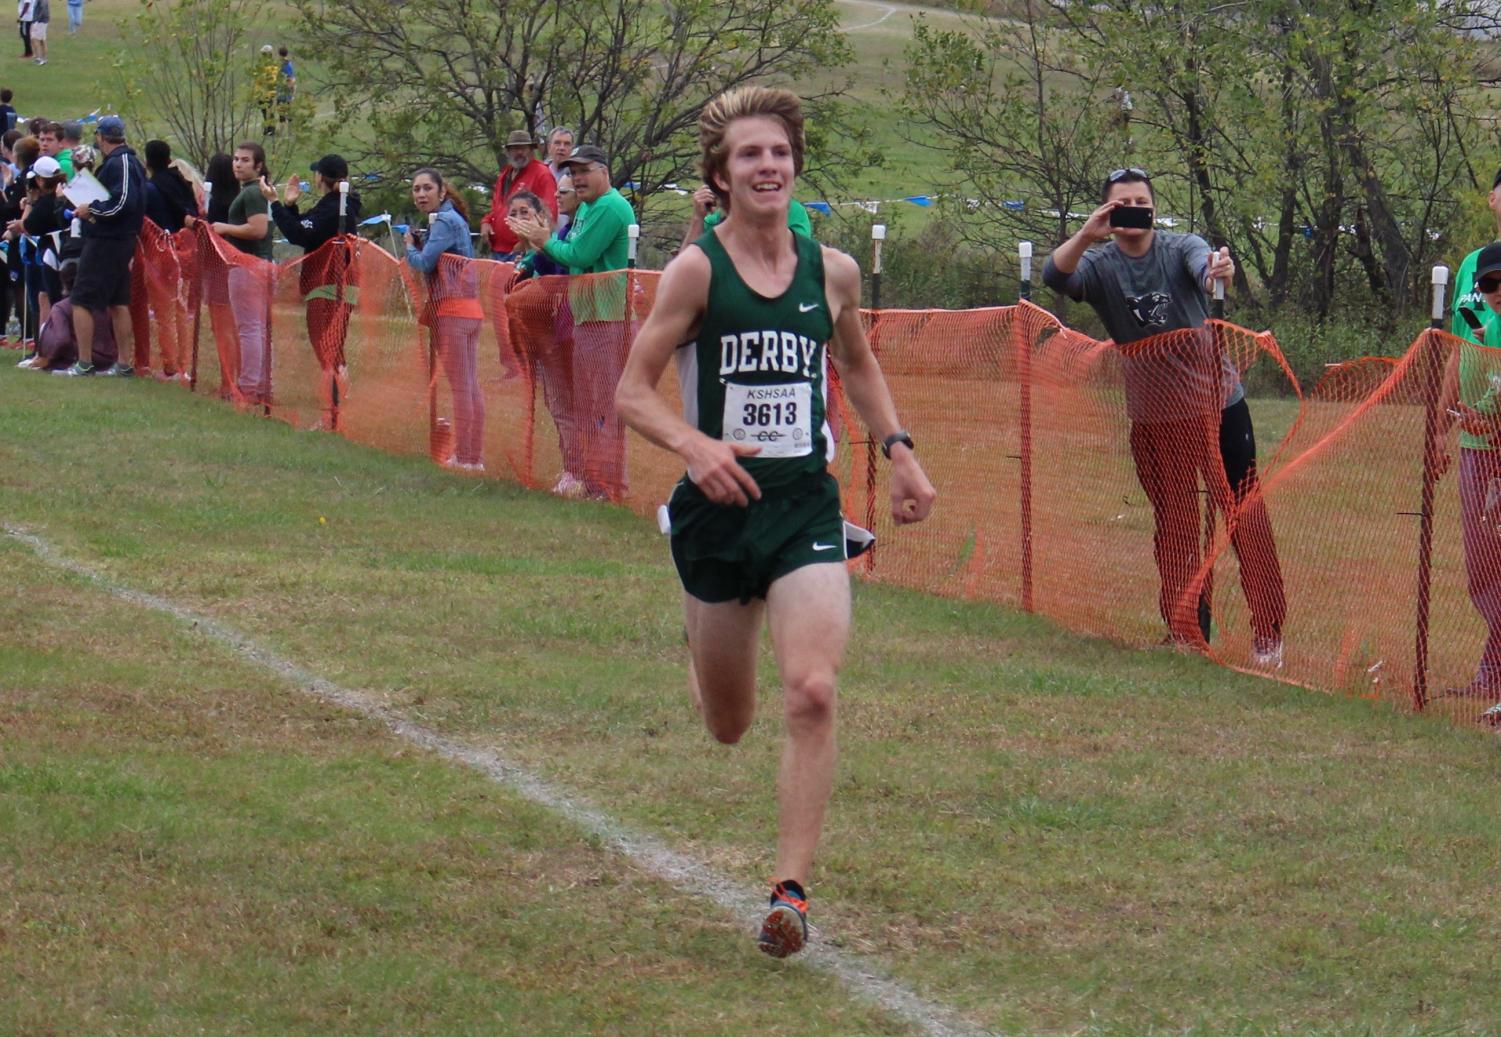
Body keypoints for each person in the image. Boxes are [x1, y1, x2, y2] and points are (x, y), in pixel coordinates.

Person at [614, 86, 937, 958]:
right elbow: (630, 391)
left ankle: (789, 892)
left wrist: (899, 450)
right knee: (729, 724)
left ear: (794, 166)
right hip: (717, 515)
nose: (767, 166)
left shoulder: (829, 270)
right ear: (719, 177)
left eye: (779, 154)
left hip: (802, 506)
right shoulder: (695, 271)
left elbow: (859, 364)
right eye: (749, 155)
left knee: (814, 690)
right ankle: (706, 639)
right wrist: (693, 446)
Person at [1042, 167, 1286, 666]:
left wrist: (1220, 270)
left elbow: (1205, 267)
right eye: (1121, 203)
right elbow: (1055, 276)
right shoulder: (1100, 263)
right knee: (1175, 523)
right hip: (1156, 418)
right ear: (1107, 210)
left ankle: (1269, 633)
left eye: (1141, 202)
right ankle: (1187, 630)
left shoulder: (1181, 247)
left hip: (1218, 403)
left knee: (1243, 511)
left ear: (1155, 207)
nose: (1134, 210)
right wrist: (1088, 233)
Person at [508, 142, 634, 500]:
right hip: (588, 316)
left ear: (604, 172)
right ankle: (595, 482)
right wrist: (543, 244)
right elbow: (572, 259)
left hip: (608, 318)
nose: (578, 178)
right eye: (573, 172)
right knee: (590, 404)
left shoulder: (609, 207)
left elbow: (579, 254)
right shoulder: (588, 208)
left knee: (605, 407)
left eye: (584, 171)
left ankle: (610, 487)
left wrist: (542, 239)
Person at [265, 153, 361, 430]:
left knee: (327, 349)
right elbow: (303, 227)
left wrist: (274, 204)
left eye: (316, 172)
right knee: (330, 350)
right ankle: (337, 405)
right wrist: (290, 206)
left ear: (322, 176)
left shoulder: (335, 207)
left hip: (331, 285)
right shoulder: (335, 204)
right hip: (332, 284)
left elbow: (299, 234)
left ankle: (333, 412)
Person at [405, 167, 485, 471]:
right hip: (468, 309)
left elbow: (425, 263)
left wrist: (411, 247)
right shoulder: (453, 221)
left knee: (462, 386)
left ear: (442, 192)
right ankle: (471, 454)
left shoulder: (445, 222)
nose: (421, 194)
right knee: (469, 385)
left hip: (453, 310)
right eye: (416, 189)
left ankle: (467, 457)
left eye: (427, 188)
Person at [506, 185, 584, 494]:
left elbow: (559, 271)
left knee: (568, 404)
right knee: (558, 404)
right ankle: (575, 469)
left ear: (541, 216)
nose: (518, 219)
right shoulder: (527, 251)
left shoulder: (564, 236)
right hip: (541, 335)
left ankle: (578, 472)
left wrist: (539, 246)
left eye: (525, 213)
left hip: (562, 331)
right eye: (513, 214)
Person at [54, 116, 143, 378]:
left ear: (101, 138)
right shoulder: (120, 162)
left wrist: (89, 208)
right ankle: (123, 363)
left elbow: (122, 202)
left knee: (81, 298)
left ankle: (84, 362)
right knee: (117, 301)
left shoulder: (122, 162)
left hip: (109, 240)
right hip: (115, 238)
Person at [208, 141, 273, 404]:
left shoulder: (252, 193)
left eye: (245, 160)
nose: (238, 164)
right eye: (236, 159)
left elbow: (258, 229)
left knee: (250, 329)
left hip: (248, 265)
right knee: (259, 329)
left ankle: (248, 388)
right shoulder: (255, 191)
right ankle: (263, 386)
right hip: (260, 264)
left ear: (258, 165)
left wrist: (225, 228)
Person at [478, 129, 556, 261]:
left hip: (523, 252)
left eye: (523, 148)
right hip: (498, 250)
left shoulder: (542, 173)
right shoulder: (505, 174)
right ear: (508, 152)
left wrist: (527, 244)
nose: (519, 152)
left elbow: (550, 213)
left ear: (531, 150)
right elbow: (497, 208)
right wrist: (485, 222)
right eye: (515, 149)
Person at [680, 183, 814, 252]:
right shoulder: (716, 220)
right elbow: (683, 275)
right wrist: (698, 218)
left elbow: (799, 258)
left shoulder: (793, 212)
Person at [276, 46, 295, 124]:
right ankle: (290, 130)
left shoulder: (281, 64)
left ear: (279, 54)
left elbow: (289, 77)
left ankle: (283, 129)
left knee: (282, 113)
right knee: (289, 111)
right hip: (287, 91)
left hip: (282, 91)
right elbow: (291, 77)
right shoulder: (289, 63)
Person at [27, 0, 44, 64]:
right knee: (33, 39)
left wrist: (37, 21)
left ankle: (40, 58)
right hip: (34, 20)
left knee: (35, 39)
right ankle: (37, 57)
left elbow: (42, 9)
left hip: (36, 21)